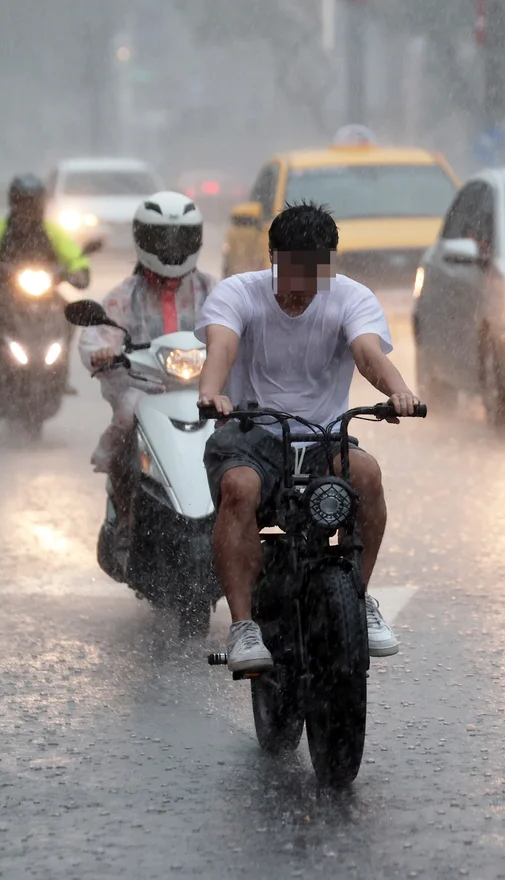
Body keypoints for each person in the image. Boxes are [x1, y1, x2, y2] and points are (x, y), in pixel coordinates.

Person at [195, 201, 421, 673]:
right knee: (240, 488)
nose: (302, 286)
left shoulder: (352, 297)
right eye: (292, 269)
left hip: (323, 439)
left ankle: (357, 598)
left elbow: (367, 352)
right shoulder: (238, 293)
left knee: (366, 475)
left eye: (315, 271)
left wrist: (398, 391)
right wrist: (212, 392)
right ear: (273, 257)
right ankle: (242, 627)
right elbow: (223, 344)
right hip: (250, 433)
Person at [78, 192, 214, 575]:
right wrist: (104, 351)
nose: (172, 249)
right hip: (145, 392)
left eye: (180, 239)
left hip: (205, 390)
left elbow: (241, 324)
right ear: (143, 240)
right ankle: (125, 520)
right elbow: (96, 335)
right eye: (162, 240)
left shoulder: (214, 291)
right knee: (124, 426)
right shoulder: (123, 297)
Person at [0, 173, 91, 393]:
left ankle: (60, 371)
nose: (27, 209)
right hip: (7, 294)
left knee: (70, 315)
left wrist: (78, 272)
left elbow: (73, 255)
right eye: (22, 203)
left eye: (32, 203)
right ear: (13, 203)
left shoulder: (52, 232)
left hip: (46, 294)